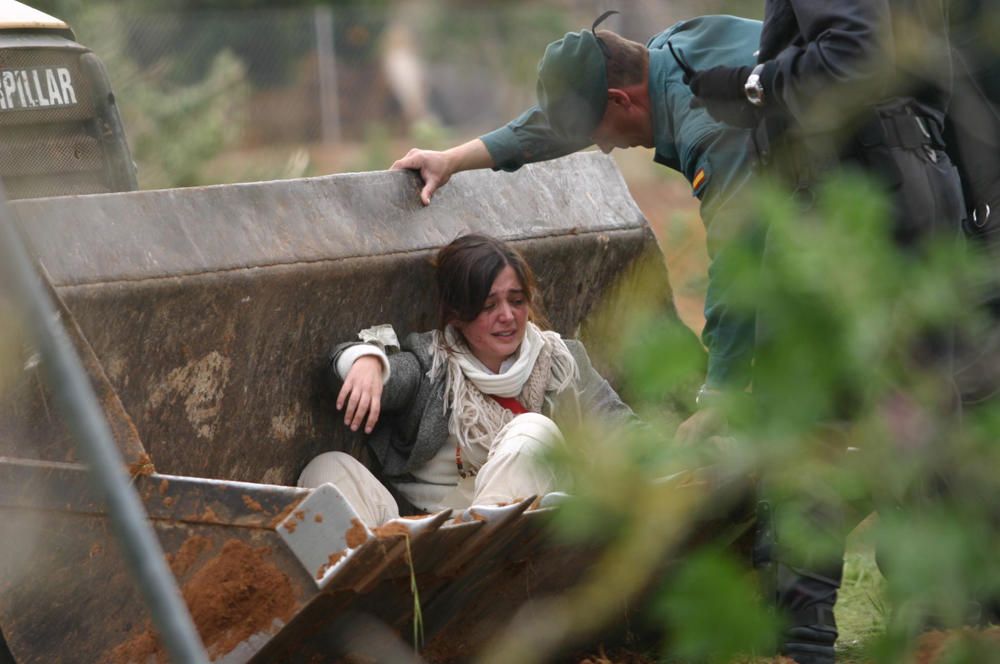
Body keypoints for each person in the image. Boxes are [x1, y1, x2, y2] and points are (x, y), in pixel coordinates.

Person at [687, 3, 966, 663]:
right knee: (916, 420)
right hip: (916, 182)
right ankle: (937, 619)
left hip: (857, 205)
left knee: (808, 429)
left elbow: (853, 51)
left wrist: (753, 86)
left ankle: (802, 644)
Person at [391, 14, 765, 436]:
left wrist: (719, 395)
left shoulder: (710, 131)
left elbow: (739, 260)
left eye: (598, 133)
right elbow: (553, 127)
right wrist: (454, 160)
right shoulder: (668, 52)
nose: (603, 146)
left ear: (621, 100)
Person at [298, 233, 635, 527]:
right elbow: (346, 371)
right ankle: (366, 591)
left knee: (533, 432)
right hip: (425, 542)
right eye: (489, 305)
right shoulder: (431, 365)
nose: (507, 316)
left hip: (509, 548)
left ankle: (485, 567)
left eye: (516, 301)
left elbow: (620, 428)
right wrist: (366, 359)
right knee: (326, 470)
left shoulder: (562, 362)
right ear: (458, 315)